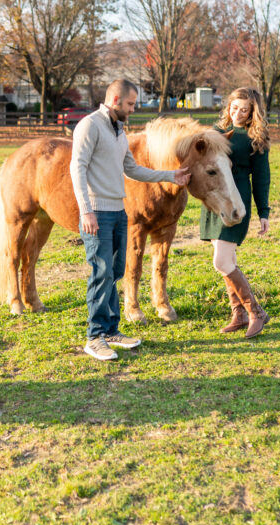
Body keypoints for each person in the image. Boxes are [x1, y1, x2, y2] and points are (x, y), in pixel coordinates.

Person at [70, 79, 191, 361]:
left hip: (118, 211)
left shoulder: (119, 130)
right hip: (97, 211)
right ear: (114, 100)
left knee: (115, 272)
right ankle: (94, 337)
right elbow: (78, 167)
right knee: (101, 274)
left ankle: (111, 330)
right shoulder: (89, 125)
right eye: (130, 104)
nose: (133, 109)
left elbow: (133, 169)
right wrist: (85, 209)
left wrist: (170, 176)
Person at [200, 87, 271, 338]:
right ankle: (238, 313)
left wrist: (264, 212)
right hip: (212, 201)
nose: (237, 113)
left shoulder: (256, 139)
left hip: (234, 201)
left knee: (221, 261)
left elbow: (262, 178)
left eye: (244, 109)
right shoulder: (213, 133)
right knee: (226, 262)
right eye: (234, 108)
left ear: (253, 112)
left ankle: (256, 313)